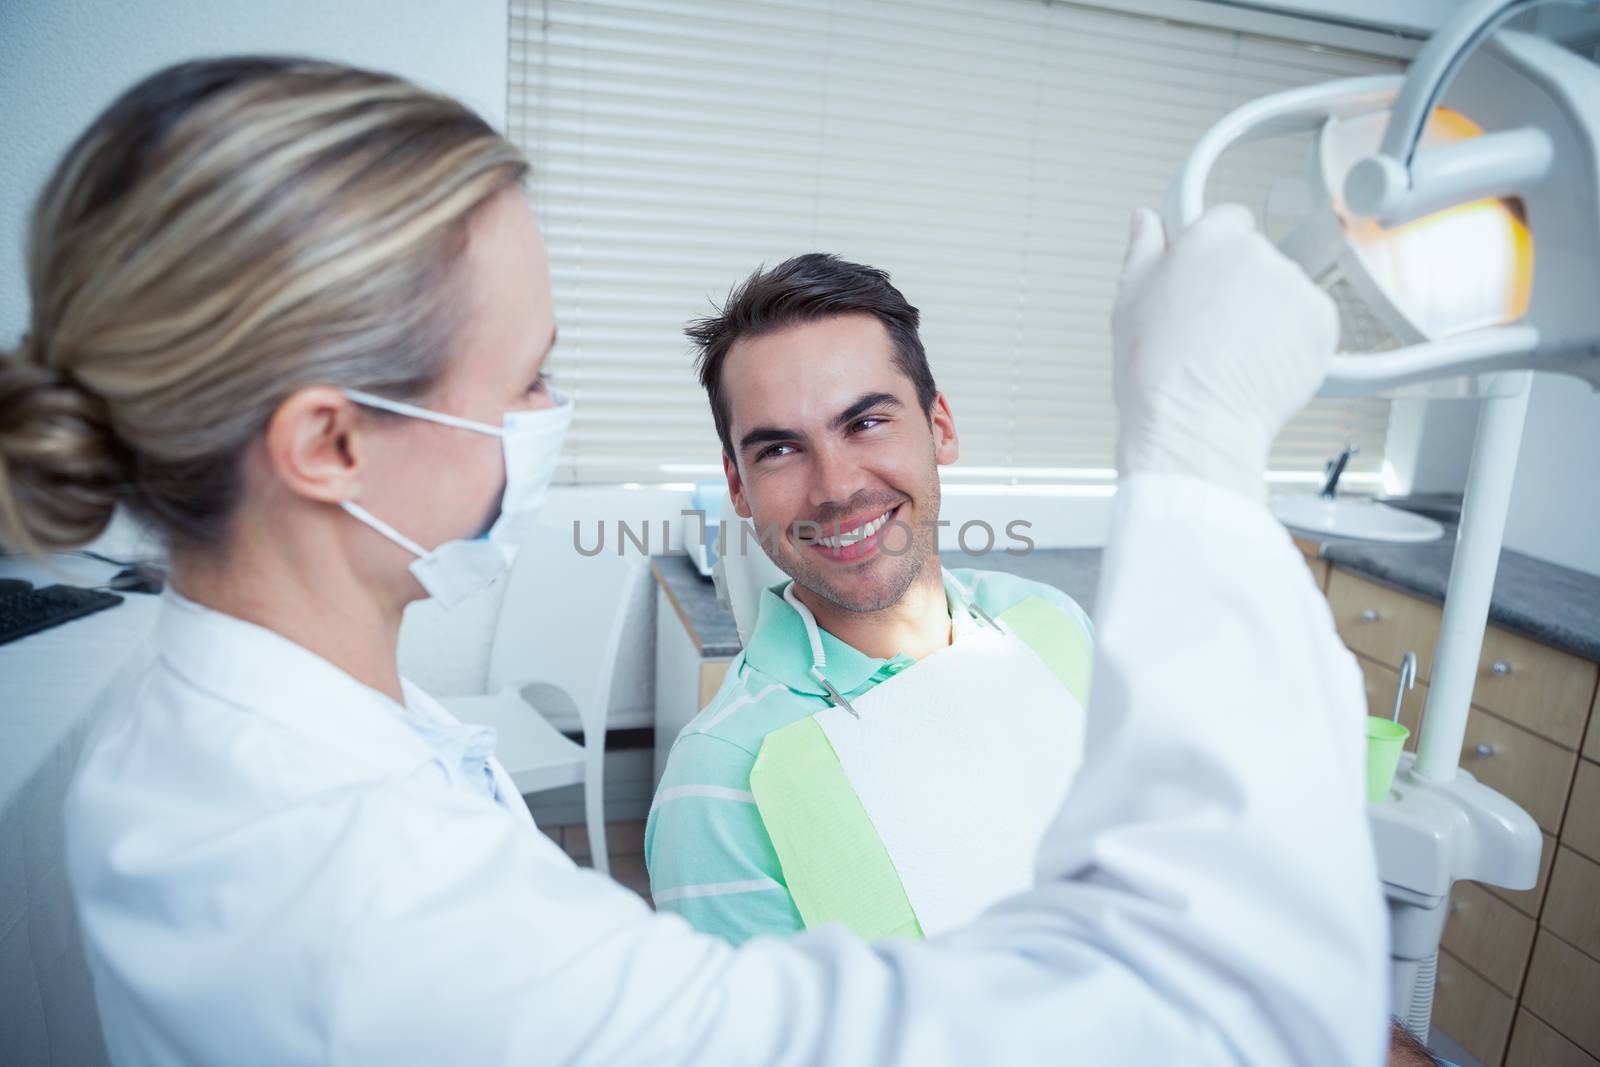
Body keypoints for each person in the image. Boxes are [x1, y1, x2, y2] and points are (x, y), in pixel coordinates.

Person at [0, 56, 1388, 1065]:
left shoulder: (270, 750)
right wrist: (1199, 447)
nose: (550, 423)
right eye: (530, 379)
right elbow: (1221, 1015)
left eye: (868, 420)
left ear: (941, 425)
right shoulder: (348, 879)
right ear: (328, 443)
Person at [647, 253, 1096, 943]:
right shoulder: (720, 785)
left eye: (865, 423)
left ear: (939, 427)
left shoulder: (1052, 626)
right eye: (780, 450)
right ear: (737, 487)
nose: (834, 487)